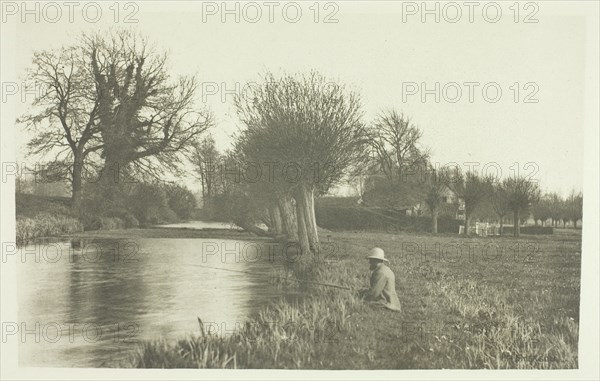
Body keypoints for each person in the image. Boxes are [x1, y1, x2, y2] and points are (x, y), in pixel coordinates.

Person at [359, 247, 401, 312]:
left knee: (359, 302)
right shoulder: (385, 269)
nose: (369, 262)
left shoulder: (380, 272)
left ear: (376, 260)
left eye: (371, 260)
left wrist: (361, 294)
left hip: (387, 304)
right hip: (392, 302)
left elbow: (374, 293)